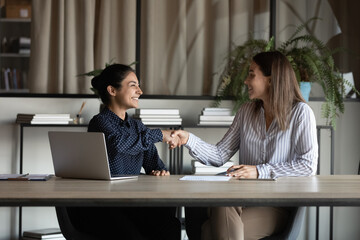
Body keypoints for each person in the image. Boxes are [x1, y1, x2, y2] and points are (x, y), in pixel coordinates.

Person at [170, 51, 318, 240]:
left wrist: (259, 171)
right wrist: (188, 139)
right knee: (221, 204)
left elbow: (307, 166)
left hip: (275, 205)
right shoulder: (246, 111)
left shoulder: (301, 113)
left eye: (251, 74)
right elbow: (219, 155)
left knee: (208, 232)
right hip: (239, 199)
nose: (246, 81)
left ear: (271, 80)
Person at [67, 64, 181, 240]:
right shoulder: (99, 122)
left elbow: (154, 164)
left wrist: (159, 171)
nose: (140, 91)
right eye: (133, 85)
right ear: (112, 90)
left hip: (131, 203)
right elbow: (119, 144)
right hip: (104, 206)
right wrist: (159, 134)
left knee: (170, 225)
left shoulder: (137, 126)